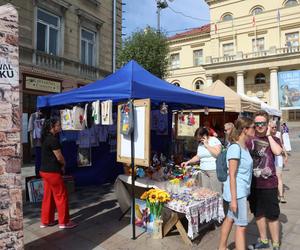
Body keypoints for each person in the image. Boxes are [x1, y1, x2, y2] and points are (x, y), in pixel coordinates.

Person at [247, 111, 282, 250]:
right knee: (258, 213)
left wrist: (268, 135)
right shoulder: (249, 140)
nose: (260, 126)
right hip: (254, 184)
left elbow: (278, 152)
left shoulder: (274, 139)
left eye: (262, 123)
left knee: (272, 215)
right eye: (257, 124)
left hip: (269, 184)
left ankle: (275, 244)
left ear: (267, 124)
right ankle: (263, 240)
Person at [218, 117, 255, 250]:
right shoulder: (235, 148)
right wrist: (234, 200)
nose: (255, 129)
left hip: (240, 190)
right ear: (245, 130)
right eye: (253, 127)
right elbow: (232, 175)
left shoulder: (244, 146)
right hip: (237, 193)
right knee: (241, 226)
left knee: (229, 219)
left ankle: (222, 247)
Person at [40, 118, 77, 229]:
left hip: (44, 171)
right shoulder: (53, 140)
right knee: (61, 196)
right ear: (52, 127)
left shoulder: (46, 138)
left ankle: (46, 221)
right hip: (52, 172)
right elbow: (59, 157)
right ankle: (64, 222)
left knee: (48, 196)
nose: (60, 126)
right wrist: (64, 164)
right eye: (58, 125)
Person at [181, 127, 222, 193]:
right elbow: (198, 156)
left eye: (200, 138)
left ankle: (219, 203)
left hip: (213, 170)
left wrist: (206, 145)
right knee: (206, 192)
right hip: (203, 170)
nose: (199, 140)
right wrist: (188, 162)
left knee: (216, 191)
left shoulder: (214, 140)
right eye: (198, 138)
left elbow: (217, 154)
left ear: (205, 135)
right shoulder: (200, 144)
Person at [270, 121, 288, 203]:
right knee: (271, 177)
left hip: (278, 158)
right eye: (272, 127)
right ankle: (274, 195)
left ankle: (281, 196)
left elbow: (282, 144)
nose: (274, 129)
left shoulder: (278, 134)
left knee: (279, 176)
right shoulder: (266, 136)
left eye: (275, 127)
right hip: (270, 159)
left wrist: (286, 154)